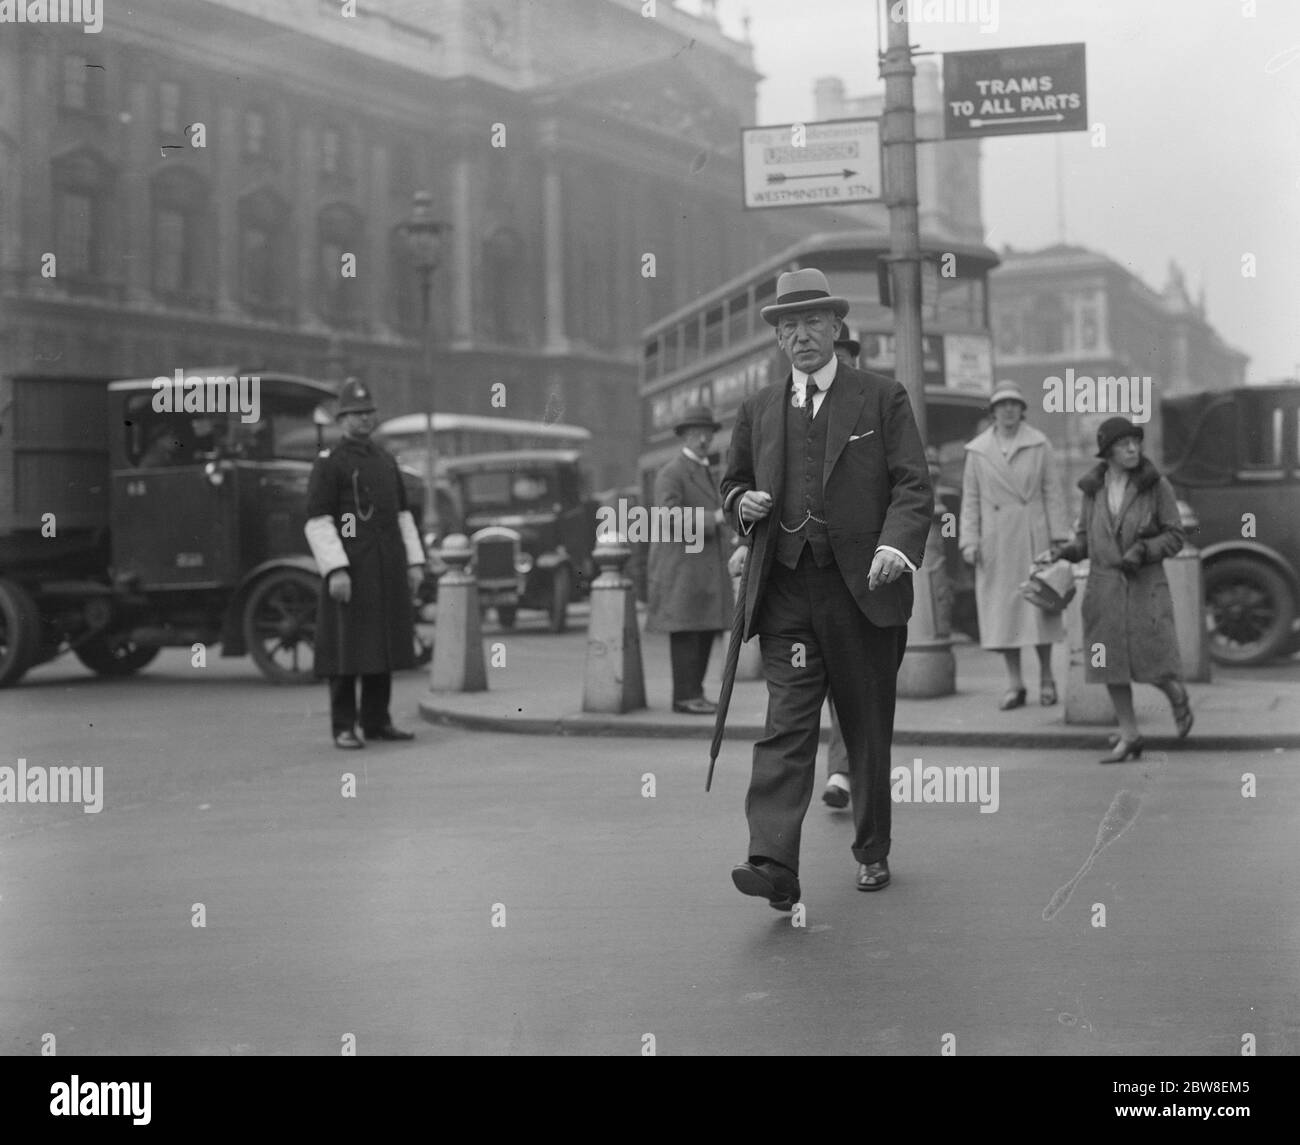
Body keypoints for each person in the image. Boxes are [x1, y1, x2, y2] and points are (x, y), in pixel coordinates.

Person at [720, 268, 932, 905]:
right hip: (786, 592)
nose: (801, 336)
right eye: (789, 326)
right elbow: (730, 484)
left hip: (859, 592)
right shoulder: (758, 410)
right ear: (779, 340)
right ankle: (774, 864)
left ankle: (872, 850)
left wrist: (896, 546)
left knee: (865, 728)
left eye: (813, 322)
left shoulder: (881, 398)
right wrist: (742, 503)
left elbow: (913, 487)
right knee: (785, 727)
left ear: (837, 328)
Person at [1041, 417, 1193, 762]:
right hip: (1104, 587)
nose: (1133, 449)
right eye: (1125, 444)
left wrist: (1144, 550)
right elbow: (1085, 538)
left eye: (1136, 443)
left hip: (1144, 587)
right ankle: (1130, 735)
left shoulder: (1157, 486)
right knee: (1109, 664)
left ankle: (1175, 694)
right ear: (1108, 451)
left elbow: (1175, 536)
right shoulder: (1093, 489)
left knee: (1150, 660)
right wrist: (1064, 551)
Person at [304, 378, 426, 749]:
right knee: (346, 648)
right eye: (354, 415)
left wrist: (414, 563)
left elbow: (403, 516)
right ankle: (344, 725)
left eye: (368, 414)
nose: (363, 420)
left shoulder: (386, 461)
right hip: (351, 569)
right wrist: (336, 569)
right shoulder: (330, 464)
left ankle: (377, 720)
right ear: (341, 420)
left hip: (386, 566)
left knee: (382, 645)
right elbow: (319, 520)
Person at [958, 381, 1071, 709]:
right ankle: (1014, 683)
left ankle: (1047, 678)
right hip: (996, 541)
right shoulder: (977, 451)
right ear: (993, 412)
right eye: (1001, 405)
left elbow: (1053, 491)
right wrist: (969, 541)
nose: (1008, 410)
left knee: (1040, 608)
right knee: (1003, 614)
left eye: (1014, 404)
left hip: (1033, 536)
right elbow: (971, 500)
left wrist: (1058, 537)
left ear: (1022, 409)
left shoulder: (1039, 444)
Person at [646, 405, 732, 714]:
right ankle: (684, 697)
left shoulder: (701, 470)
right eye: (696, 434)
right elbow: (668, 517)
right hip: (682, 569)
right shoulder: (672, 472)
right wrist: (715, 518)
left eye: (707, 433)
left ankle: (694, 693)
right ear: (684, 437)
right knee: (687, 633)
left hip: (699, 568)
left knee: (704, 630)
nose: (702, 439)